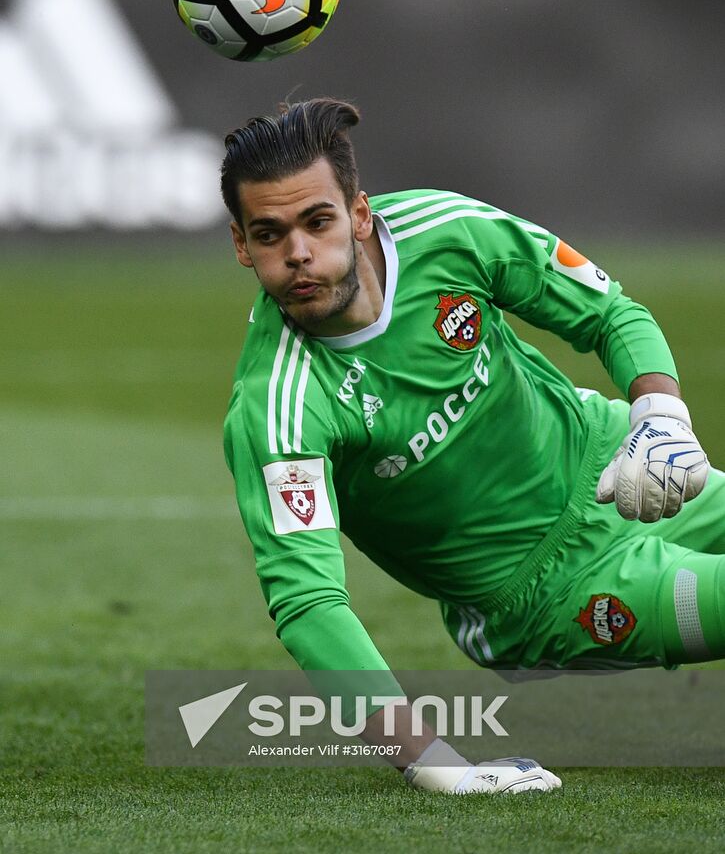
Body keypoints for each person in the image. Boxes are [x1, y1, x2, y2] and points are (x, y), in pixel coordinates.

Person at [221, 98, 720, 795]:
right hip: (544, 594)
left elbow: (605, 311)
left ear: (358, 214)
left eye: (317, 222)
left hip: (617, 464)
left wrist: (660, 415)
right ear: (242, 246)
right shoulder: (277, 407)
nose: (298, 254)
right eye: (269, 235)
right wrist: (432, 763)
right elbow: (309, 603)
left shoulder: (447, 230)